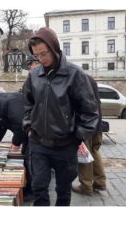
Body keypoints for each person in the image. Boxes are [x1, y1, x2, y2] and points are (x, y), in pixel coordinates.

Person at [23, 27, 99, 206]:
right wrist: (28, 126)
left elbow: (90, 112)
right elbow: (27, 104)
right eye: (37, 56)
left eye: (44, 54)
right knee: (39, 187)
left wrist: (76, 136)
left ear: (54, 47)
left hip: (65, 145)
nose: (41, 59)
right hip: (38, 143)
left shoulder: (75, 74)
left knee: (63, 190)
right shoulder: (34, 75)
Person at [0, 91, 33, 199]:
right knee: (26, 157)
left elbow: (20, 124)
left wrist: (15, 143)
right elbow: (0, 128)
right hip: (28, 131)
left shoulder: (4, 103)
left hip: (33, 130)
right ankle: (29, 188)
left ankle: (32, 191)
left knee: (29, 158)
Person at [72, 75, 107, 195]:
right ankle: (100, 182)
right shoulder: (89, 78)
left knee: (84, 154)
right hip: (97, 123)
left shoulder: (76, 78)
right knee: (94, 152)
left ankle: (86, 185)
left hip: (85, 124)